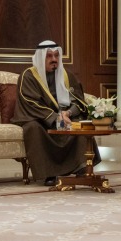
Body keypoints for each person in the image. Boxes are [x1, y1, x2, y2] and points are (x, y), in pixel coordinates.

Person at [12, 40, 98, 186]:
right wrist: (56, 117)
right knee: (33, 128)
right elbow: (31, 102)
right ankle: (49, 173)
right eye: (49, 56)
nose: (54, 59)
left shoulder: (67, 75)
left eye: (56, 55)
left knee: (80, 123)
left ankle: (82, 167)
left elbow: (79, 100)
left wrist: (68, 113)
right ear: (40, 57)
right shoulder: (28, 76)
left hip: (65, 117)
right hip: (39, 118)